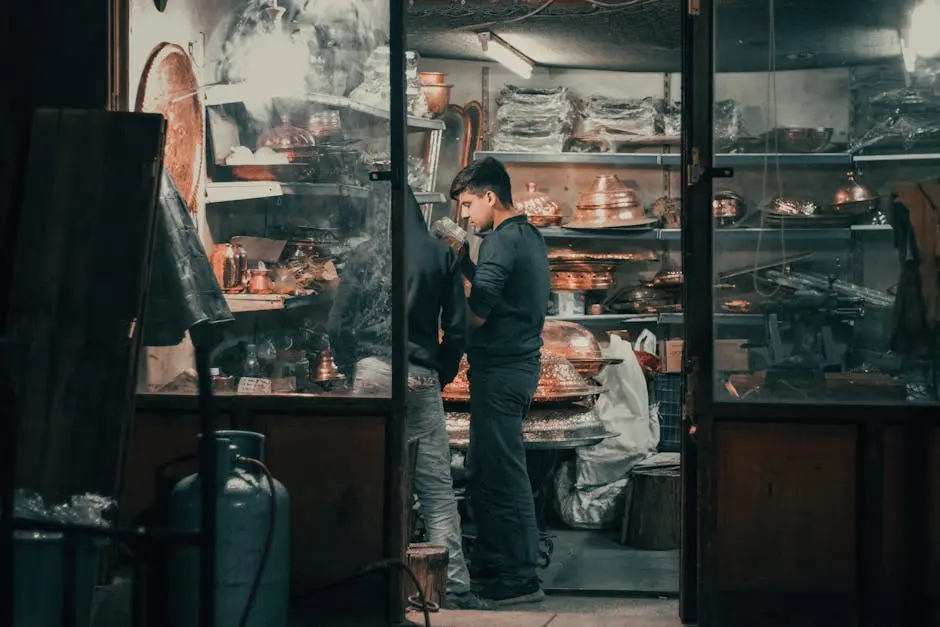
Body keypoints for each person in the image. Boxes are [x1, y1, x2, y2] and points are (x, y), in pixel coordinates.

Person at [328, 185, 494, 611]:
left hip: (370, 374)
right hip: (419, 375)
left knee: (369, 482)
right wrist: (441, 372)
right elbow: (457, 329)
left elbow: (337, 324)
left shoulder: (365, 255)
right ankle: (453, 588)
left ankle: (366, 584)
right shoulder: (438, 254)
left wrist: (354, 369)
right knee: (436, 490)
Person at [450, 157, 550, 606]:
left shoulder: (500, 242)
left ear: (491, 197)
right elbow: (500, 292)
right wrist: (463, 266)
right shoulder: (526, 235)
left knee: (503, 474)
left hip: (501, 371)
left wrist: (446, 310)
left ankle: (521, 578)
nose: (467, 216)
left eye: (469, 204)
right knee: (485, 470)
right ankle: (494, 565)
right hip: (516, 367)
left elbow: (479, 312)